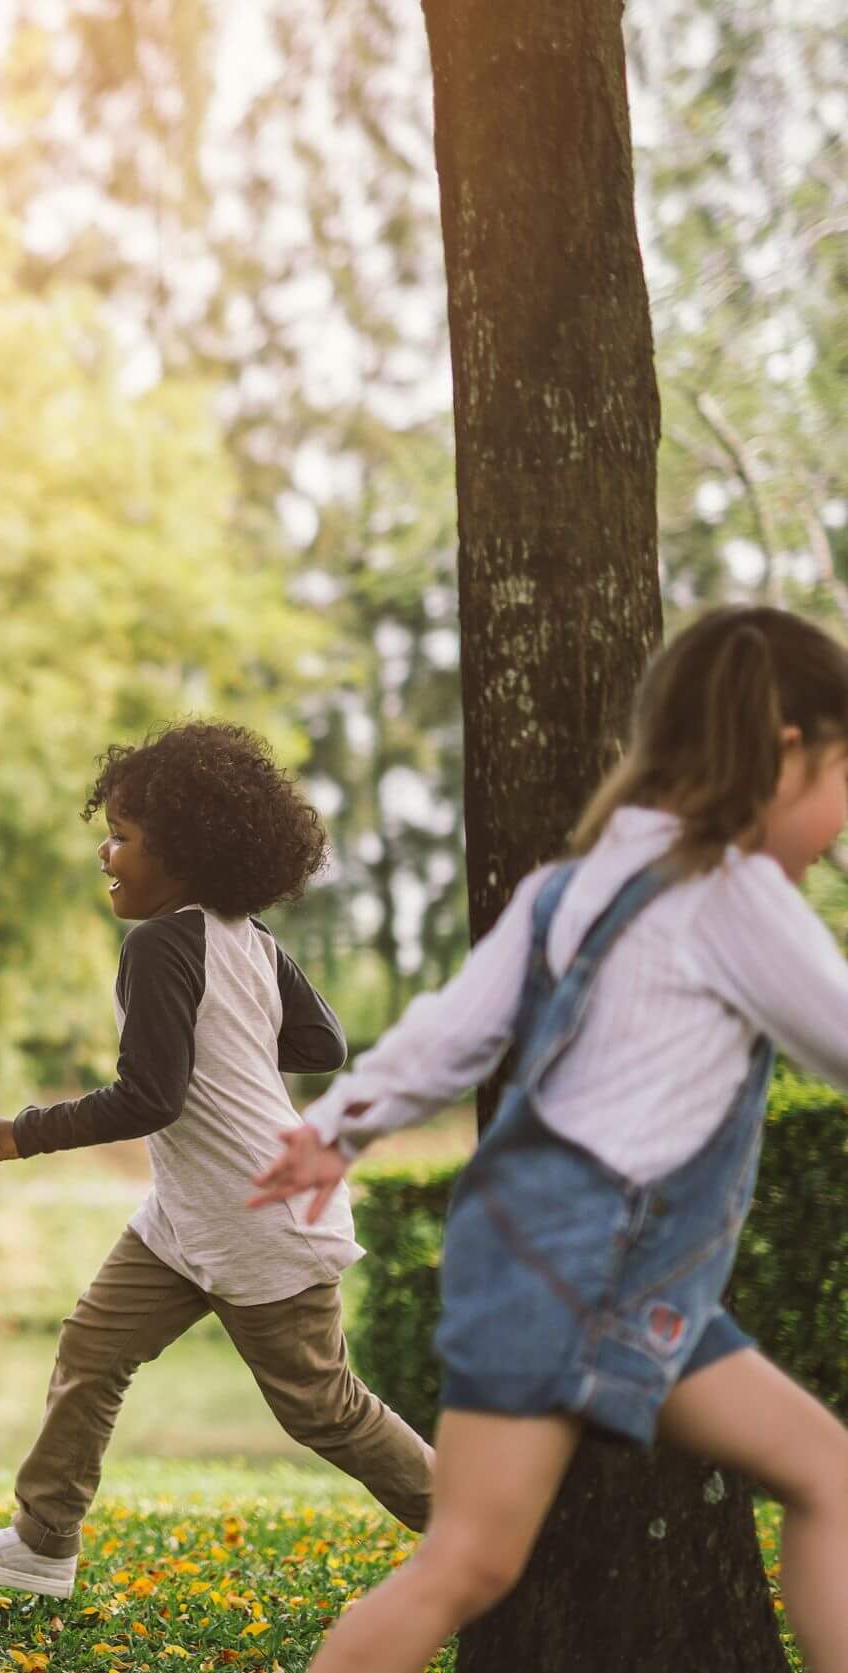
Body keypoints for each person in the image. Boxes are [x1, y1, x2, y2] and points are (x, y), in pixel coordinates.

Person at [252, 606, 848, 1673]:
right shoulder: (729, 890)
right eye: (846, 773)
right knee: (466, 1562)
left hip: (594, 1271)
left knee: (825, 1472)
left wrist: (337, 1124)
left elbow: (450, 1028)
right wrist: (336, 1127)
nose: (842, 816)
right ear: (785, 750)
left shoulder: (568, 889)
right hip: (589, 1267)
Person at [0, 720, 433, 1598]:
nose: (106, 852)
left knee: (323, 1408)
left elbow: (149, 1096)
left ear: (186, 853)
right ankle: (43, 1540)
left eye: (122, 837)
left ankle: (488, 1532)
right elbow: (320, 1043)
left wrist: (22, 1131)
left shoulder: (161, 943)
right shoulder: (245, 936)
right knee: (92, 1345)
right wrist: (233, 1040)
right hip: (188, 1216)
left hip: (257, 1213)